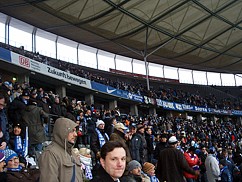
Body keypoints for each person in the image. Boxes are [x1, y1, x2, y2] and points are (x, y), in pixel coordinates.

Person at [38, 117, 84, 182]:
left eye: (75, 131)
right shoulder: (50, 153)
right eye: (72, 131)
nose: (75, 134)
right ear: (62, 131)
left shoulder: (72, 153)